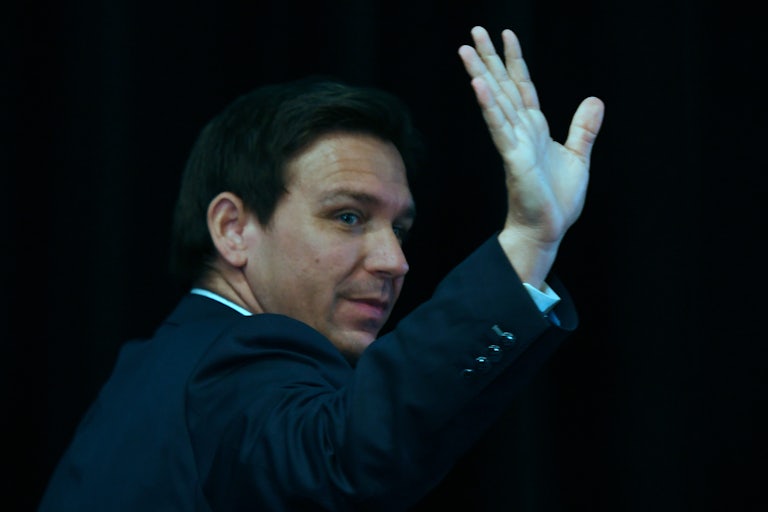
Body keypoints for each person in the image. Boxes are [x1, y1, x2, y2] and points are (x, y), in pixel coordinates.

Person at [37, 25, 604, 511]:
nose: (395, 262)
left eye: (400, 229)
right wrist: (528, 240)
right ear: (234, 229)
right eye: (349, 216)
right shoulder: (234, 364)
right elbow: (343, 457)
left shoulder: (164, 362)